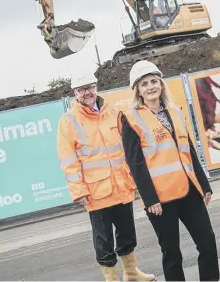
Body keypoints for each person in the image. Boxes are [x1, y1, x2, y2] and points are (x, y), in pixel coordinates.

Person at [118, 60, 220, 281]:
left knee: (208, 243)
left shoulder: (175, 112)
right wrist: (149, 198)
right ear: (137, 90)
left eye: (154, 81)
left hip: (188, 191)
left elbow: (189, 150)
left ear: (161, 84)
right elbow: (135, 163)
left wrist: (203, 184)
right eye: (144, 84)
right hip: (160, 200)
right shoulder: (131, 118)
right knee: (172, 253)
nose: (151, 86)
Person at [56, 71, 156, 282]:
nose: (87, 92)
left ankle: (131, 273)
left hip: (121, 185)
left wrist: (136, 177)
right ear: (75, 93)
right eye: (82, 89)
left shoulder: (114, 111)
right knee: (103, 241)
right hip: (96, 193)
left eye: (90, 87)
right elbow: (68, 160)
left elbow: (129, 147)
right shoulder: (69, 121)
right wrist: (78, 191)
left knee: (127, 233)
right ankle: (111, 279)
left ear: (96, 87)